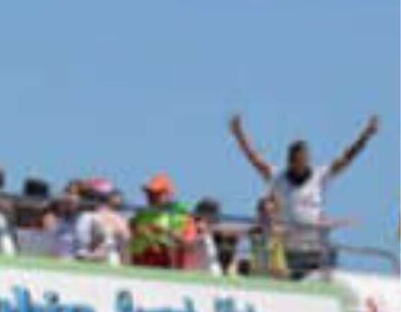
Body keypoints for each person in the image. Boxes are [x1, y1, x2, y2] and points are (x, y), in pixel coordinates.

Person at [229, 114, 380, 276]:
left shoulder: (319, 176)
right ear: (290, 161)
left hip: (314, 249)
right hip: (288, 250)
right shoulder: (278, 177)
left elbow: (345, 158)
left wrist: (365, 136)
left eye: (303, 160)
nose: (299, 164)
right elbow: (255, 159)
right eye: (295, 161)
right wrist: (239, 134)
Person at [129, 174, 194, 269]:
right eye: (149, 193)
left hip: (166, 265)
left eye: (156, 193)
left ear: (168, 195)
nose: (150, 196)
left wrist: (164, 232)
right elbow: (130, 230)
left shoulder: (181, 216)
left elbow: (190, 245)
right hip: (139, 263)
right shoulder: (142, 214)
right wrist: (137, 230)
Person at [76, 182, 129, 264]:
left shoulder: (120, 219)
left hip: (114, 268)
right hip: (94, 267)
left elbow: (125, 249)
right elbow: (82, 251)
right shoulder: (87, 217)